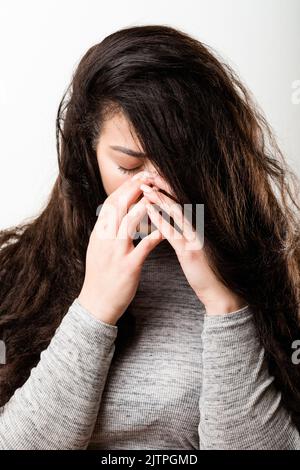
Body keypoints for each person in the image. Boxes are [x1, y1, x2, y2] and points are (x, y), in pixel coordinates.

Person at [0, 24, 299, 450]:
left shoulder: (278, 266)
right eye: (129, 165)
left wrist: (225, 304)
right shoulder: (21, 269)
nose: (159, 189)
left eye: (178, 164)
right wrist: (94, 308)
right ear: (88, 155)